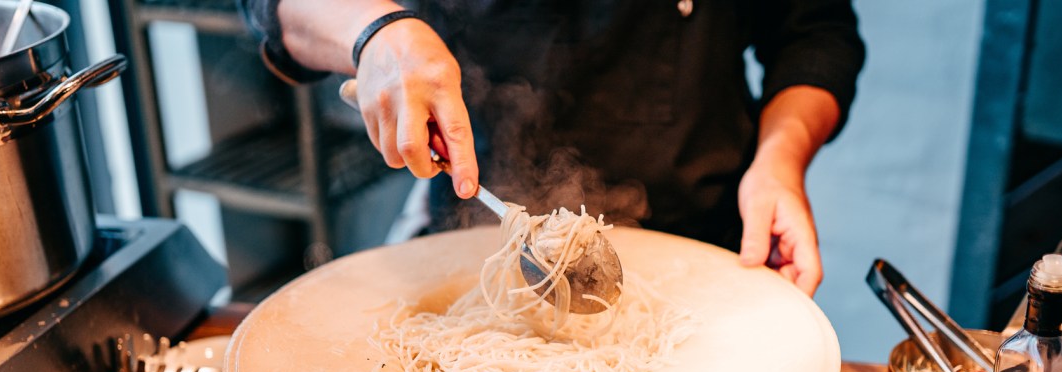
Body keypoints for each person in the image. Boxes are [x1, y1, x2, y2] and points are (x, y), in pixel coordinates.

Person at [241, 1, 865, 297]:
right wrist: (375, 33)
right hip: (470, 239)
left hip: (708, 248)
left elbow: (815, 33)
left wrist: (780, 159)